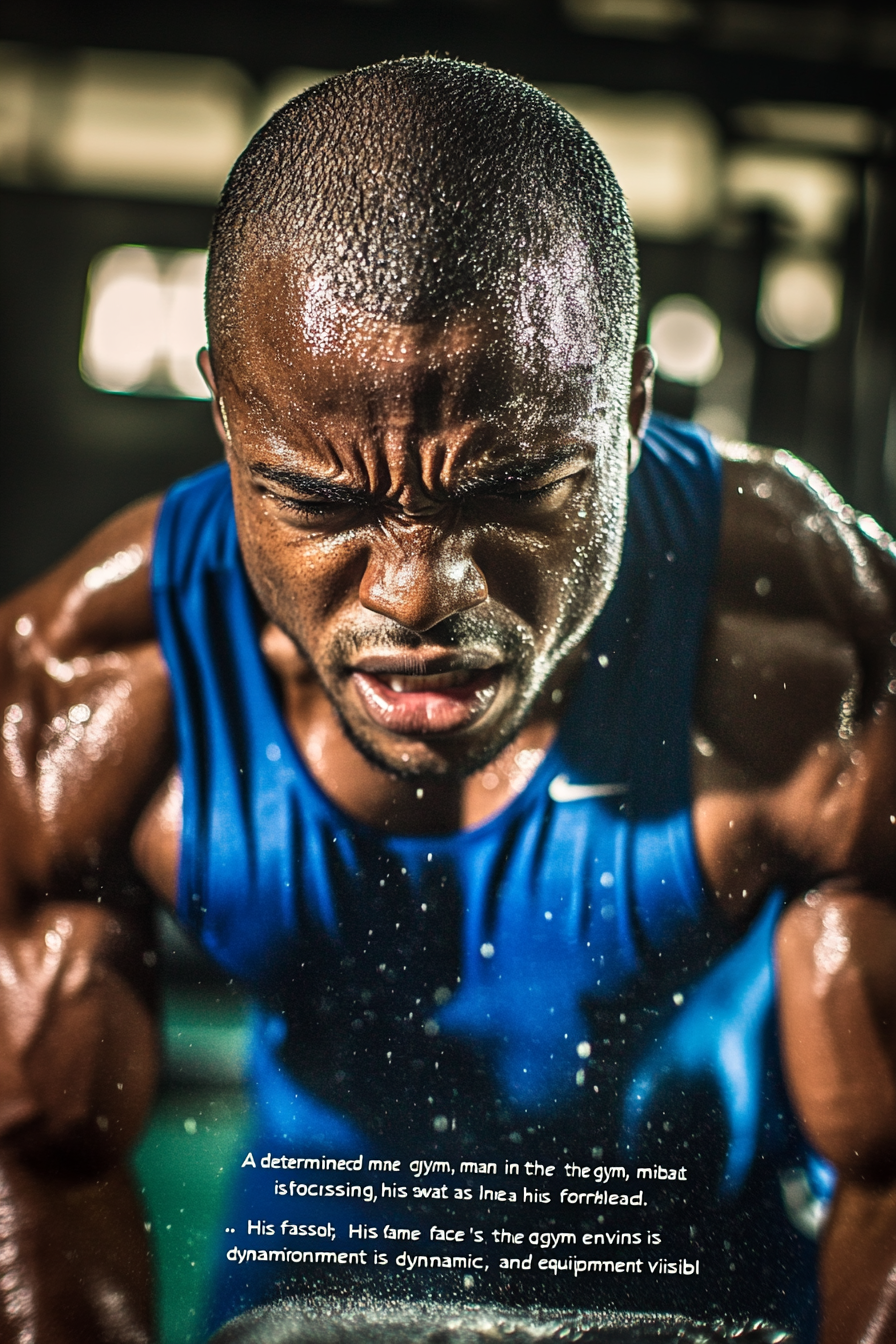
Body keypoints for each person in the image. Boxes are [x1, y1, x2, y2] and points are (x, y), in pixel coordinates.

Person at [0, 56, 893, 1344]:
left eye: (514, 490)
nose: (416, 596)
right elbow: (40, 1155)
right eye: (323, 500)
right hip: (306, 1289)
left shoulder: (823, 650)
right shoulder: (90, 684)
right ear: (229, 420)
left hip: (717, 1298)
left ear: (634, 409)